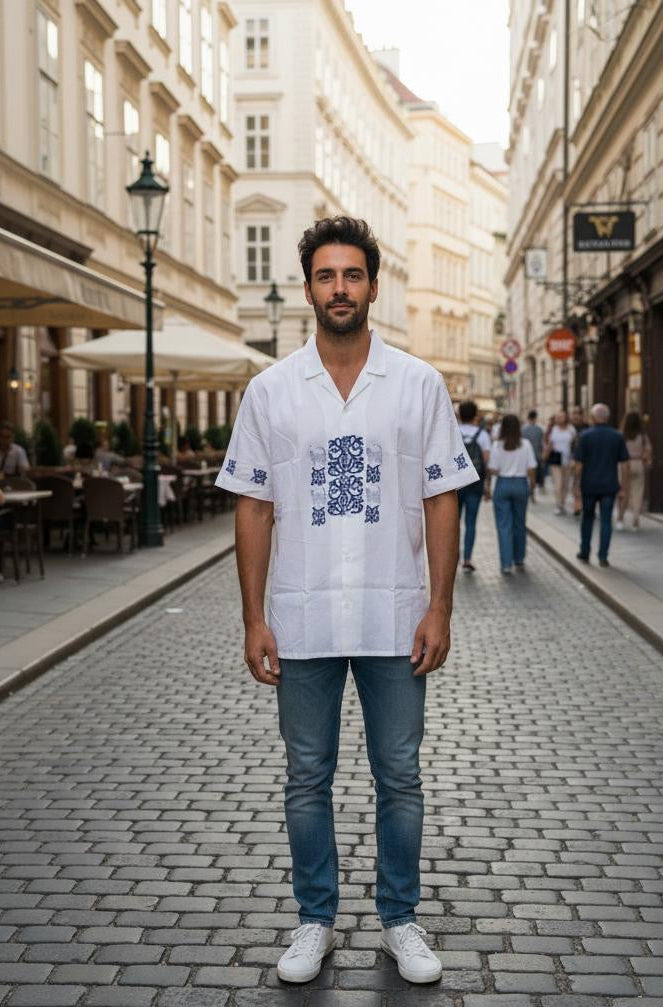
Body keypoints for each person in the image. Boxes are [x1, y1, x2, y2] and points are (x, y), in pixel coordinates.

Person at [216, 216, 479, 985]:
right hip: (300, 615)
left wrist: (441, 605)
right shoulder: (269, 389)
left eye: (352, 275)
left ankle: (399, 917)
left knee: (399, 773)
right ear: (308, 288)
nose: (339, 288)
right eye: (326, 276)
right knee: (307, 775)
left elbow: (440, 500)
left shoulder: (417, 383)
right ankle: (315, 918)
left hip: (394, 615)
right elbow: (252, 506)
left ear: (372, 285)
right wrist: (253, 615)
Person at [574, 403, 630, 568]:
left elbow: (578, 465)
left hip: (589, 485)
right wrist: (623, 486)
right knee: (606, 520)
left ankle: (585, 552)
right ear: (607, 417)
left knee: (587, 519)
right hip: (609, 486)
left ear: (593, 418)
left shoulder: (585, 436)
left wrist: (576, 485)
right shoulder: (617, 436)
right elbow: (625, 465)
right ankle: (603, 556)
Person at [486, 414, 537, 574]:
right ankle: (519, 559)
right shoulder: (526, 444)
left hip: (503, 484)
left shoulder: (497, 445)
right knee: (520, 524)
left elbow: (493, 469)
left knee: (503, 525)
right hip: (521, 484)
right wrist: (532, 488)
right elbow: (531, 469)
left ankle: (506, 563)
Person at [456, 400, 491, 572]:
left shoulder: (453, 432)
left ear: (460, 415)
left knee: (453, 523)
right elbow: (486, 461)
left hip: (456, 484)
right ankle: (467, 559)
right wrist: (487, 485)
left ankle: (453, 557)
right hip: (475, 483)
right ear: (475, 415)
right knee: (471, 522)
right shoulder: (483, 435)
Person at [616, 411, 651, 531]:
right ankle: (635, 520)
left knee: (623, 492)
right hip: (638, 463)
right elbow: (648, 450)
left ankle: (620, 519)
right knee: (638, 492)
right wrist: (646, 461)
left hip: (624, 464)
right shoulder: (642, 435)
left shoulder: (621, 435)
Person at [544, 410, 576, 514]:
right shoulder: (554, 429)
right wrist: (546, 454)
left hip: (567, 459)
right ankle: (558, 504)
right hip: (556, 459)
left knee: (565, 483)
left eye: (561, 417)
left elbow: (575, 444)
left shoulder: (571, 429)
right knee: (558, 483)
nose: (559, 419)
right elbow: (550, 444)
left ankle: (562, 503)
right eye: (558, 417)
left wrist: (574, 458)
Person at [521, 409, 544, 490]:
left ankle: (529, 490)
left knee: (526, 475)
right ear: (535, 418)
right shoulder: (539, 429)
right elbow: (541, 444)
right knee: (534, 475)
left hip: (525, 456)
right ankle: (532, 491)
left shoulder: (523, 429)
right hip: (537, 455)